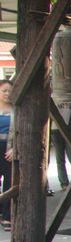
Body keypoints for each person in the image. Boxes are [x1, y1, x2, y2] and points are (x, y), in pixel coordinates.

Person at [0, 79, 13, 231]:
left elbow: (20, 131)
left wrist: (14, 148)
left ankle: (7, 215)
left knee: (9, 181)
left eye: (10, 91)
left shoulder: (17, 110)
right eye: (4, 91)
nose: (7, 94)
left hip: (9, 148)